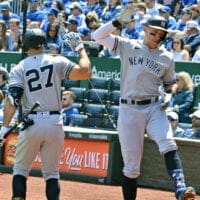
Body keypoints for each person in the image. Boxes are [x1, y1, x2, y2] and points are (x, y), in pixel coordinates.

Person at [92, 10, 196, 200]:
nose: (158, 37)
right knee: (131, 167)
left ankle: (180, 189)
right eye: (154, 32)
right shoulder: (127, 45)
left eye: (161, 34)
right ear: (145, 29)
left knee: (168, 143)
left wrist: (169, 95)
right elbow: (97, 36)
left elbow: (170, 83)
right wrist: (116, 22)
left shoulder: (166, 56)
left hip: (154, 107)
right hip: (129, 109)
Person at [0, 28, 91, 200]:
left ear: (26, 44)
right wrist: (80, 48)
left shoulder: (20, 67)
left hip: (32, 121)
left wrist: (4, 128)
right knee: (51, 173)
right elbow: (85, 72)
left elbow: (12, 100)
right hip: (54, 122)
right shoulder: (57, 61)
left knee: (20, 170)